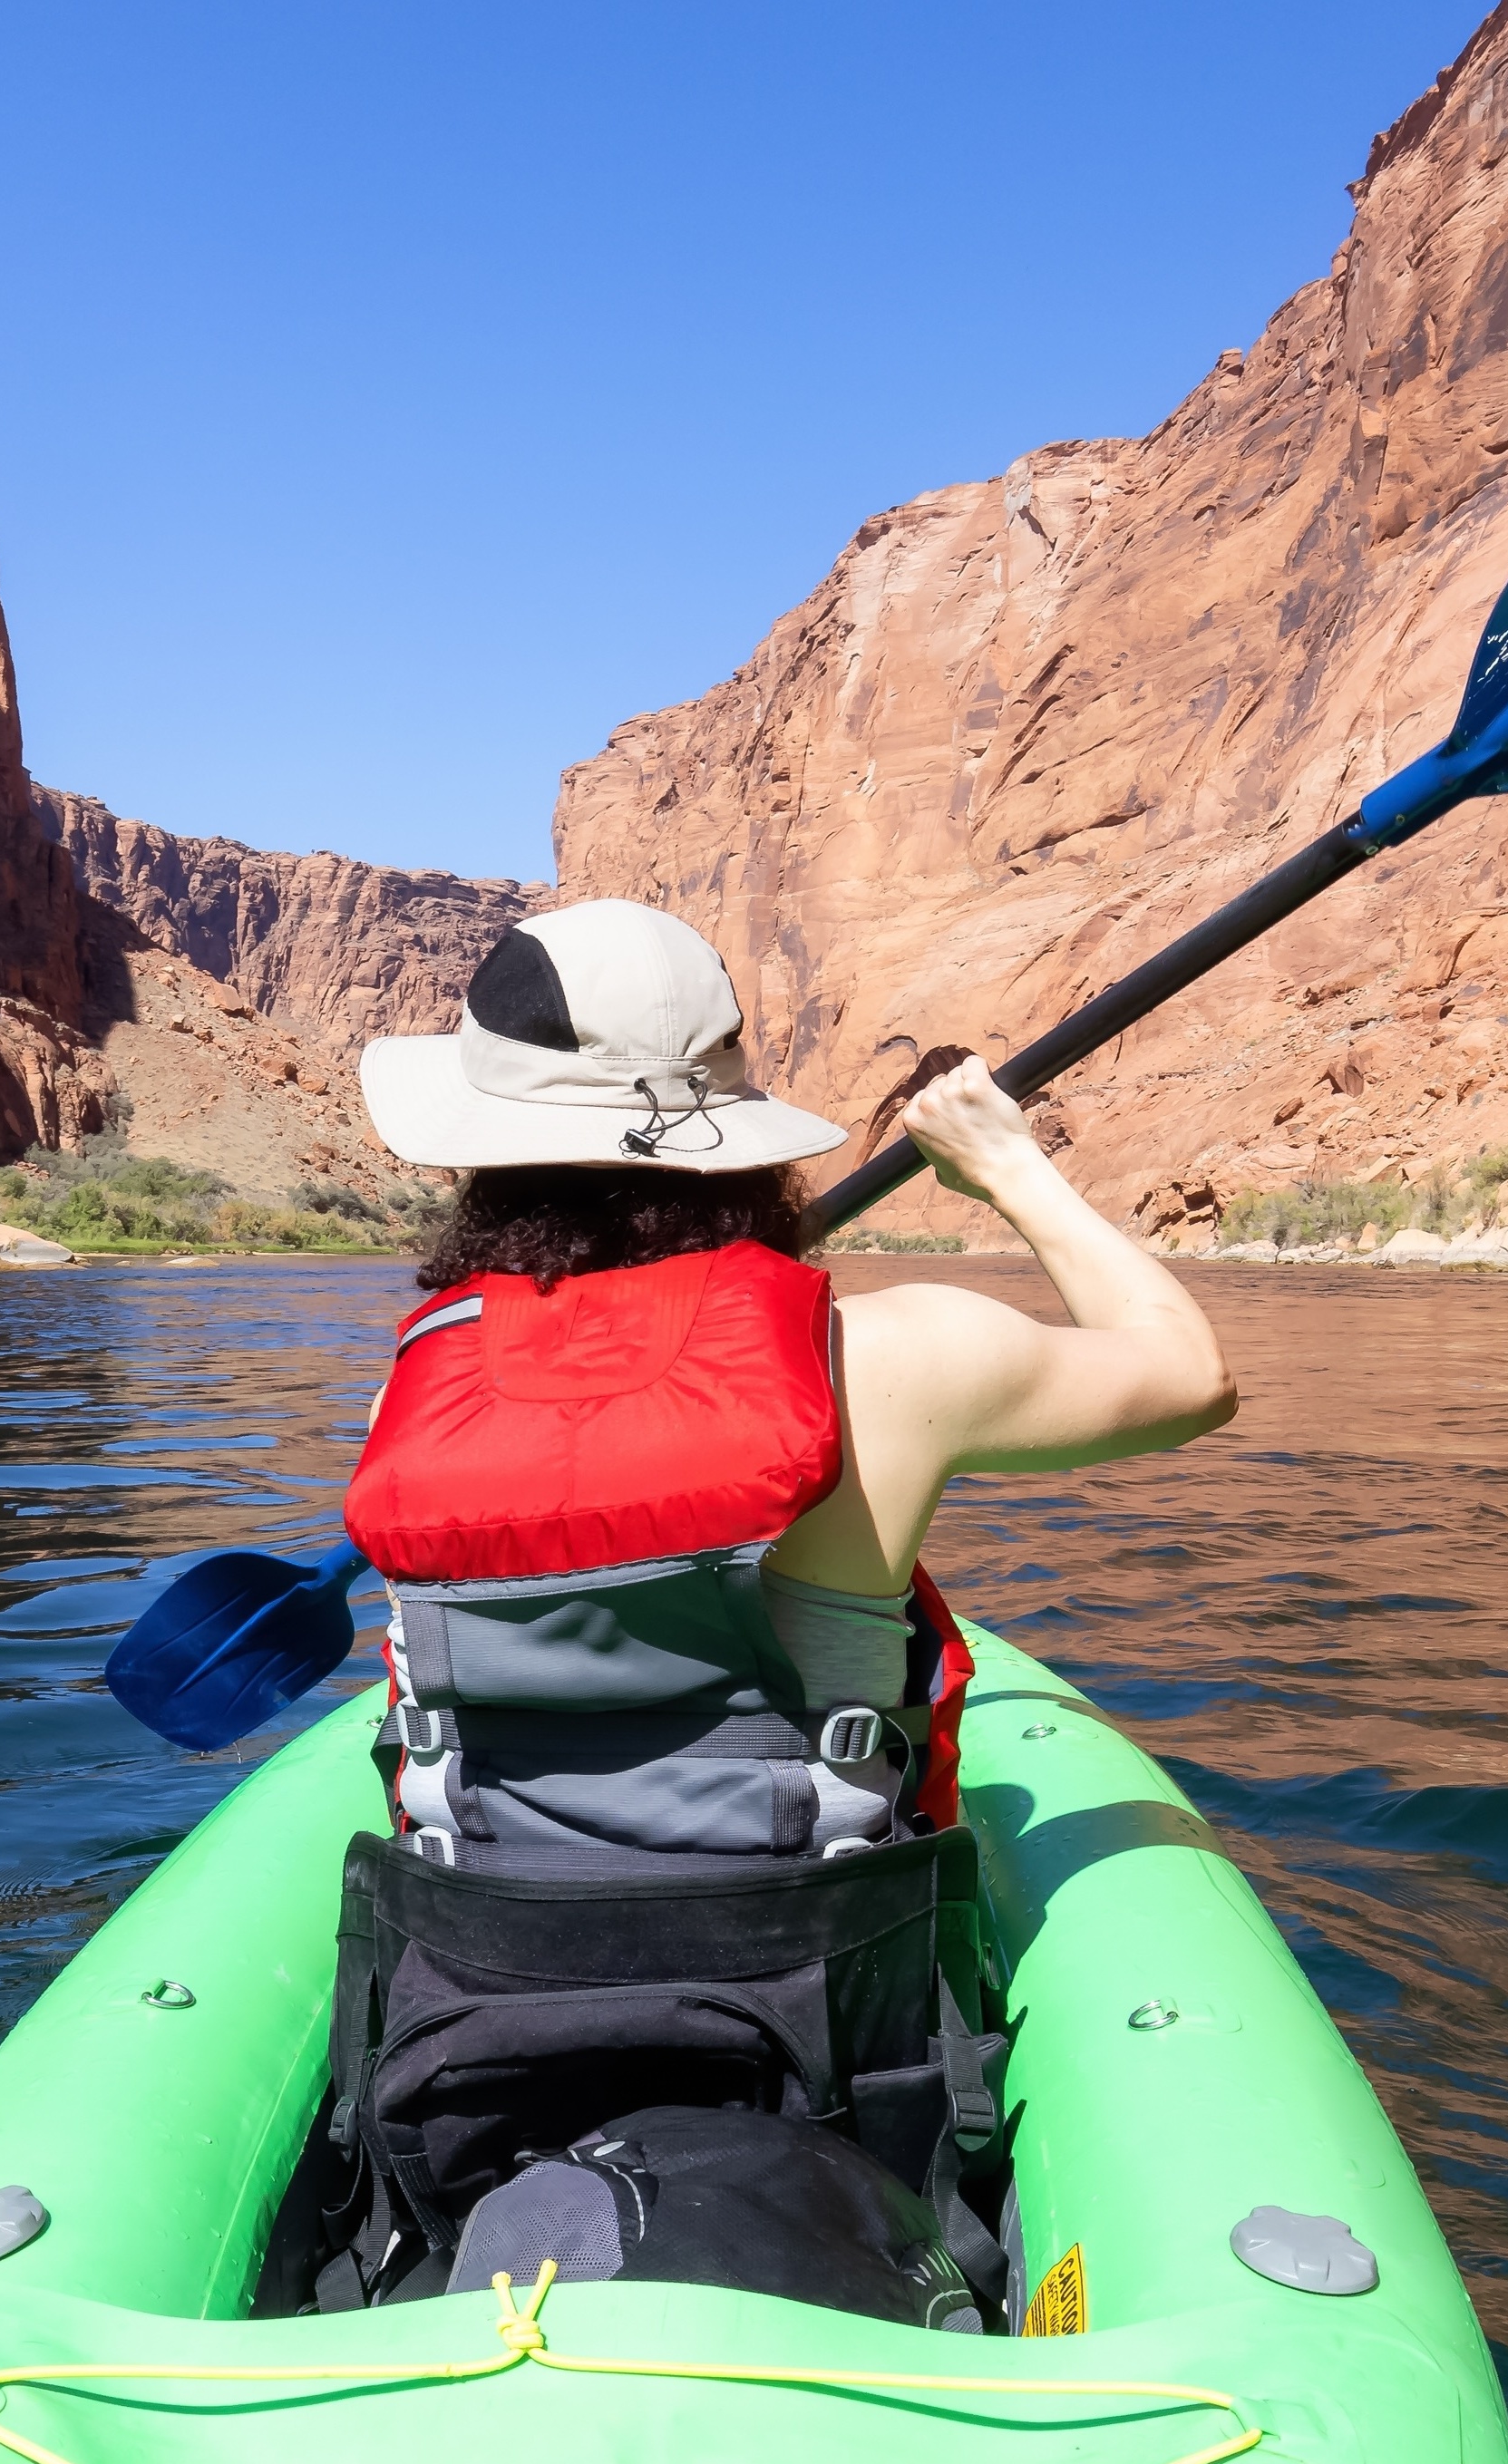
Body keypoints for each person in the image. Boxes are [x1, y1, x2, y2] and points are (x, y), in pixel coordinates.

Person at [311, 897, 1234, 2318]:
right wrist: (1008, 1168)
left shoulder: (409, 1391)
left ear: (477, 1160)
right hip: (818, 2028)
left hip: (483, 2005)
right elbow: (1186, 1374)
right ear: (739, 1127)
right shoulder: (901, 1354)